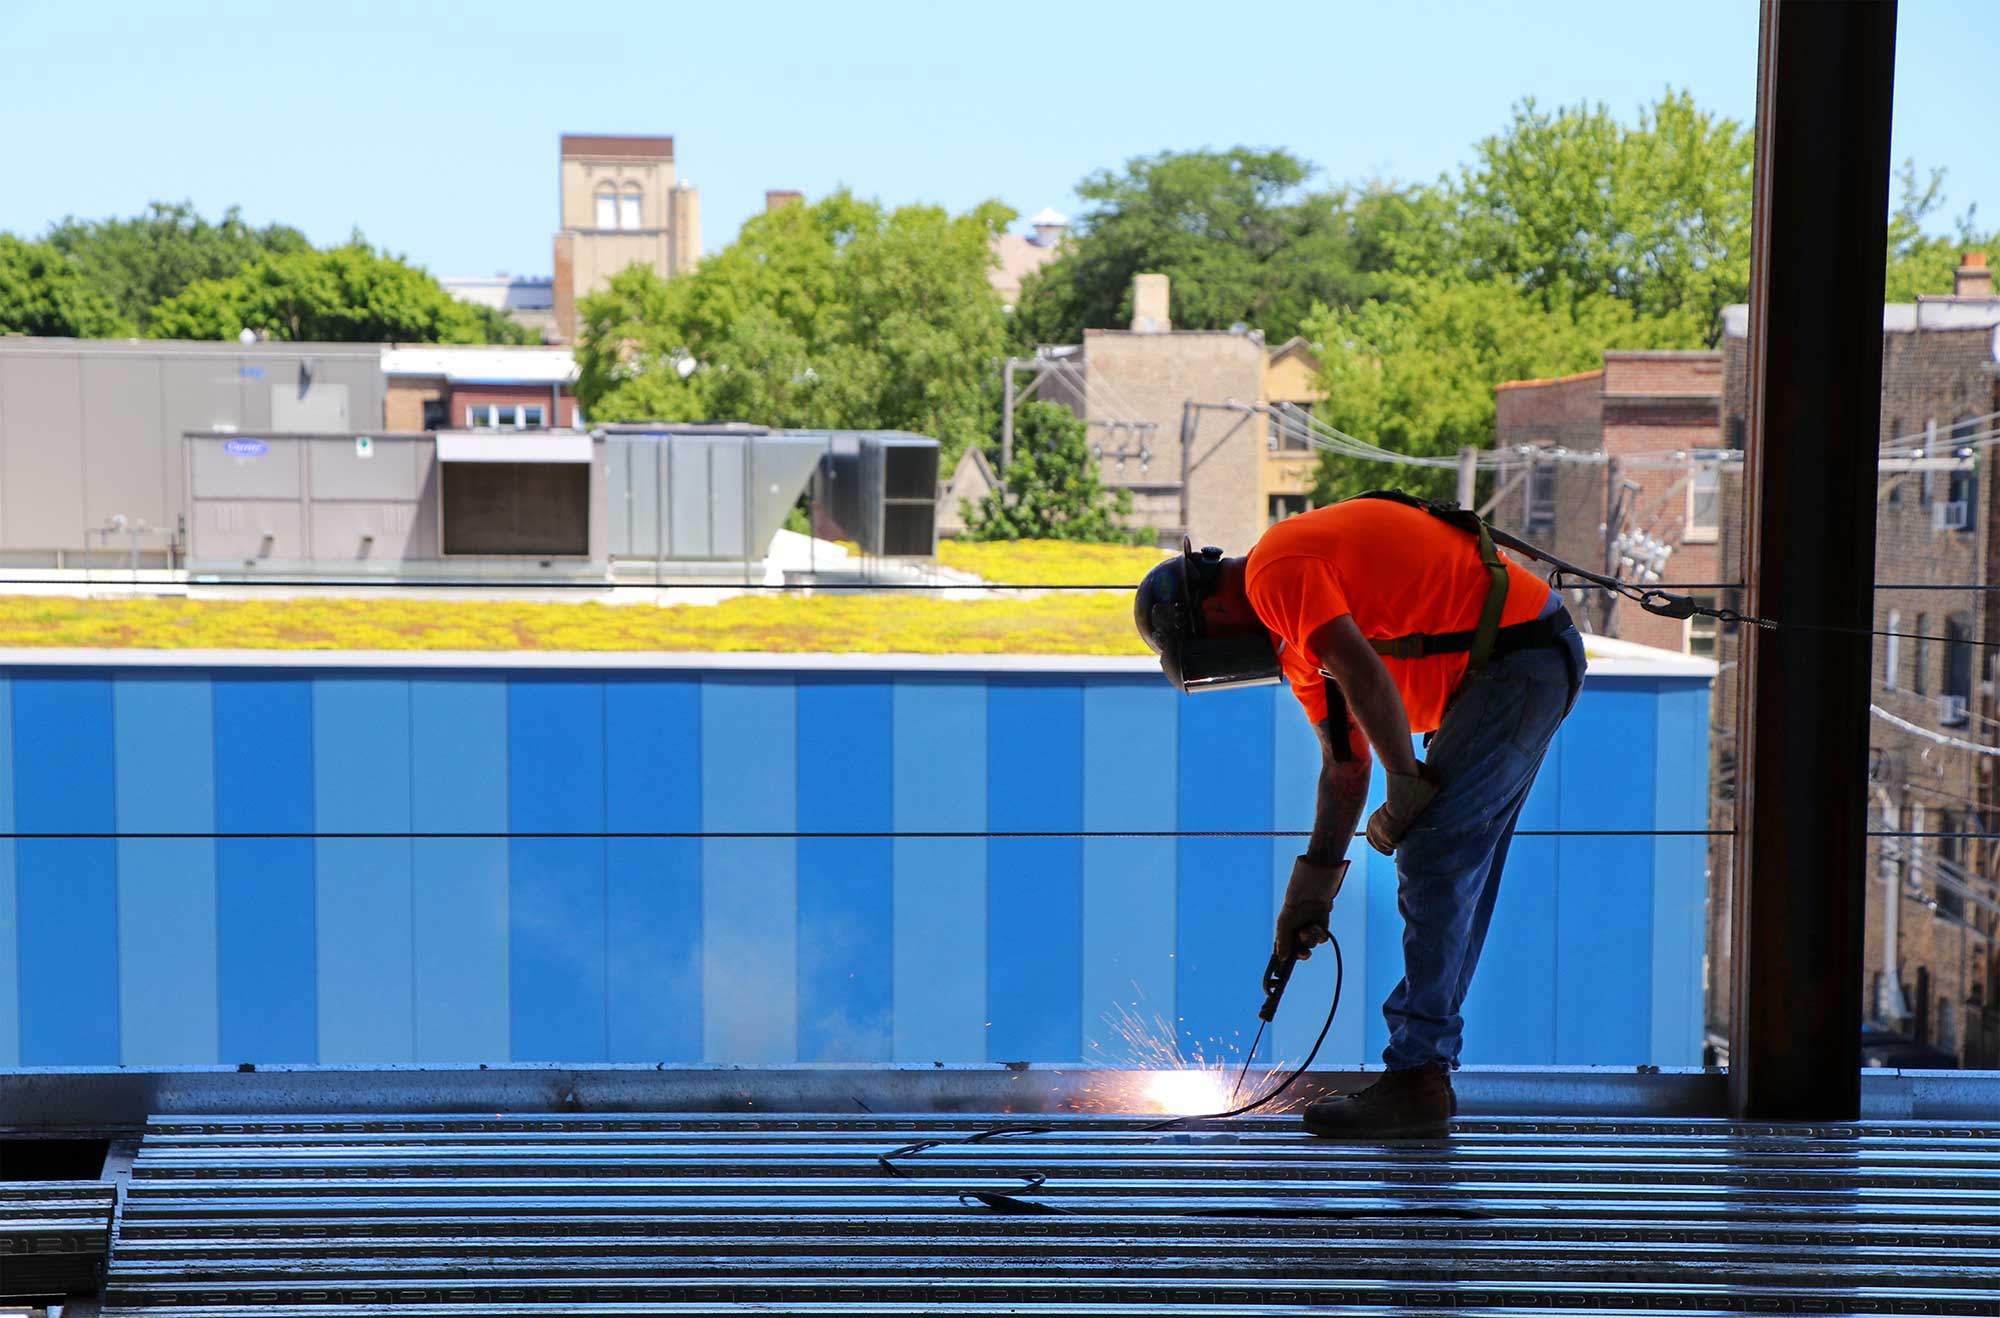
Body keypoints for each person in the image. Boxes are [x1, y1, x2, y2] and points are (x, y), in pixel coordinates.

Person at [1133, 492, 1585, 1138]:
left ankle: (1416, 1078)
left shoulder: (1273, 574)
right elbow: (1346, 769)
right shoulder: (1296, 640)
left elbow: (1364, 674)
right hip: (1509, 668)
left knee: (1433, 852)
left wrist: (1406, 782)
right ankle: (1423, 1071)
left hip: (1517, 659)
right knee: (1446, 857)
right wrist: (1309, 891)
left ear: (1210, 608)